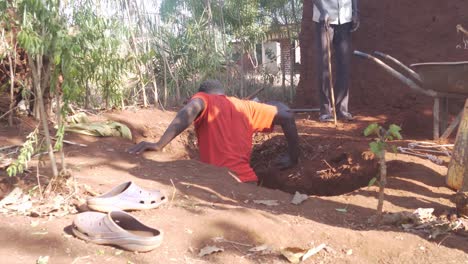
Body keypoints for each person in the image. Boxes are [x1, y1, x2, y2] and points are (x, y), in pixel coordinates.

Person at [128, 80, 299, 183]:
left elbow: (193, 107)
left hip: (219, 183)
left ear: (200, 93)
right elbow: (286, 114)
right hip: (248, 182)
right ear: (223, 93)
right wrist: (293, 157)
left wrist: (159, 144)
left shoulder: (204, 99)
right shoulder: (245, 106)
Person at [312, 0, 360, 122]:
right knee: (324, 65)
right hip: (324, 18)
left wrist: (355, 12)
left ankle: (342, 109)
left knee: (344, 65)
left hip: (345, 19)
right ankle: (325, 111)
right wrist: (322, 10)